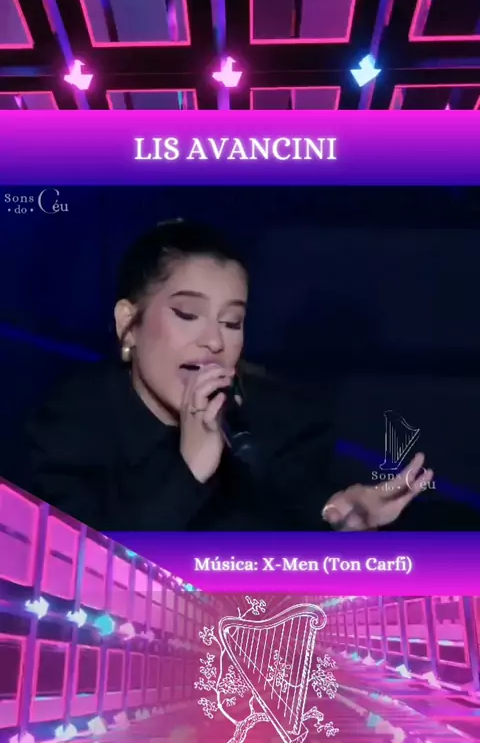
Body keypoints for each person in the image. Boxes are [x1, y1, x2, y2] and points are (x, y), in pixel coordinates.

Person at [24, 219, 433, 532]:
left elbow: (293, 513)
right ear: (128, 323)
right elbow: (81, 573)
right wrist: (188, 468)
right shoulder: (68, 426)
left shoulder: (272, 421)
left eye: (232, 321)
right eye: (188, 314)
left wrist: (337, 518)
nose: (214, 341)